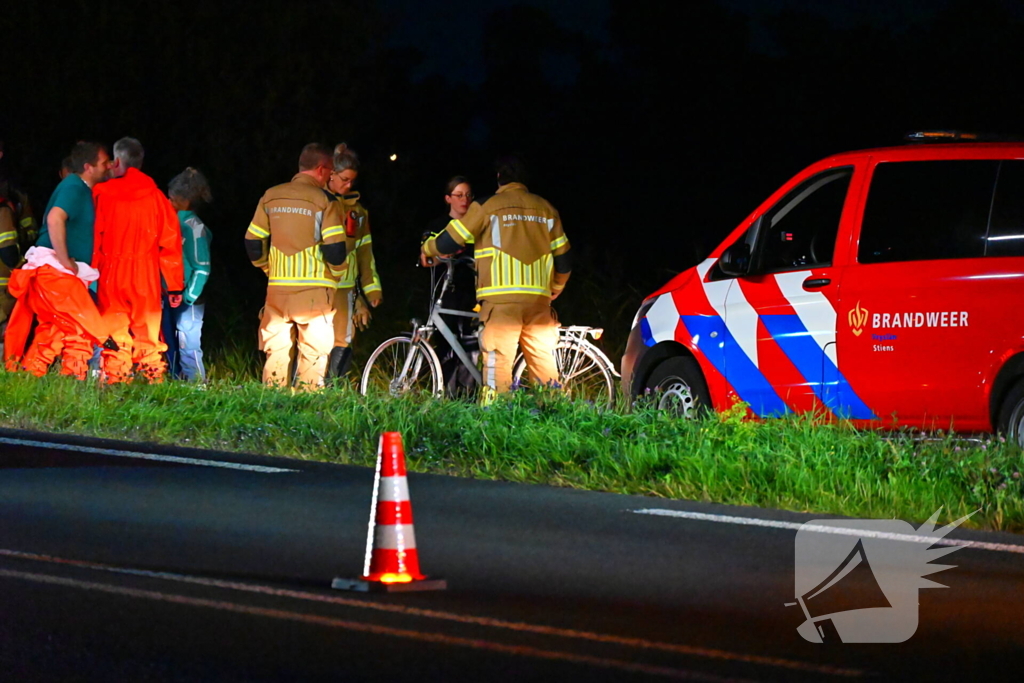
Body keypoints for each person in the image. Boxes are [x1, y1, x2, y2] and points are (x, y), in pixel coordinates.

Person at [421, 156, 571, 402]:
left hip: (501, 303)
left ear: (499, 178)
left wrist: (428, 248)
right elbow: (564, 259)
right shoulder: (547, 209)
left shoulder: (487, 206)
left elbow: (451, 240)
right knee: (544, 368)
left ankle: (495, 420)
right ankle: (557, 416)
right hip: (538, 302)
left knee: (498, 366)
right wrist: (556, 286)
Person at [245, 143, 351, 390]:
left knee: (276, 353)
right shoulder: (326, 200)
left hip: (278, 292)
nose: (330, 178)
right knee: (313, 355)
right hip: (314, 293)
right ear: (321, 169)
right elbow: (335, 250)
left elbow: (252, 241)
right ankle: (307, 406)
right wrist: (336, 276)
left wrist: (268, 269)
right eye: (330, 172)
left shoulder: (271, 196)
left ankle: (271, 404)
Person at [14, 141, 113, 378]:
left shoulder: (77, 188)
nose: (109, 166)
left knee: (53, 330)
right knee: (78, 329)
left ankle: (30, 378)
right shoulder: (75, 188)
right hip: (57, 272)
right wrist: (65, 260)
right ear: (88, 167)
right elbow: (54, 218)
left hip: (52, 272)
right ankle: (73, 383)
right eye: (104, 163)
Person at [92, 137, 184, 383]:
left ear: (117, 162)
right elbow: (171, 242)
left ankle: (116, 383)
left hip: (111, 272)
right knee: (148, 335)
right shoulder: (156, 197)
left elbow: (94, 237)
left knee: (114, 332)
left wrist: (89, 273)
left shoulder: (101, 194)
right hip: (146, 275)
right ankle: (154, 384)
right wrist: (174, 286)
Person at [325, 143, 382, 382]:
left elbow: (365, 253)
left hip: (346, 288)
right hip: (318, 285)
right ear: (331, 174)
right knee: (314, 340)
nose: (349, 185)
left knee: (344, 339)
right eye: (344, 179)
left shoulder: (358, 212)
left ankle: (334, 388)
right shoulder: (318, 203)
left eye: (352, 181)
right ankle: (307, 389)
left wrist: (371, 290)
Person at [422, 175, 478, 396]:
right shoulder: (437, 225)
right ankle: (446, 396)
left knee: (471, 348)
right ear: (448, 198)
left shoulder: (477, 226)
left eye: (468, 195)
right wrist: (444, 252)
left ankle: (468, 400)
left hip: (474, 292)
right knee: (446, 347)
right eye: (459, 195)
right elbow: (427, 258)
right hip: (445, 292)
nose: (464, 200)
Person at [163, 167, 213, 382]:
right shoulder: (174, 221)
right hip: (172, 294)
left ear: (184, 200)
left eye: (172, 198)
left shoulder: (193, 227)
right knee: (173, 340)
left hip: (188, 298)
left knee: (187, 342)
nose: (168, 201)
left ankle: (196, 384)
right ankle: (177, 380)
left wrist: (189, 296)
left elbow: (202, 267)